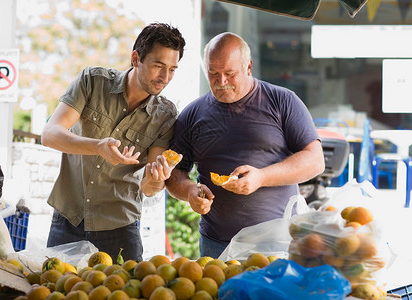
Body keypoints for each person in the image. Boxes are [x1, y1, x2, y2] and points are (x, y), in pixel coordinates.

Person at [165, 32, 325, 258]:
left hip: (276, 243)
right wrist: (191, 191)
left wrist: (261, 177)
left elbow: (315, 161)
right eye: (213, 73)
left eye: (230, 74)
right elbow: (174, 174)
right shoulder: (192, 114)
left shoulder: (283, 101)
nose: (221, 82)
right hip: (215, 245)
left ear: (248, 67)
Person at [41, 23, 186, 261]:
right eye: (158, 66)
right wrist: (97, 147)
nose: (165, 78)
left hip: (119, 229)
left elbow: (149, 189)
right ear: (136, 58)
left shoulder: (166, 116)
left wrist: (156, 177)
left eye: (172, 69)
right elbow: (50, 134)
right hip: (68, 218)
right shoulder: (92, 82)